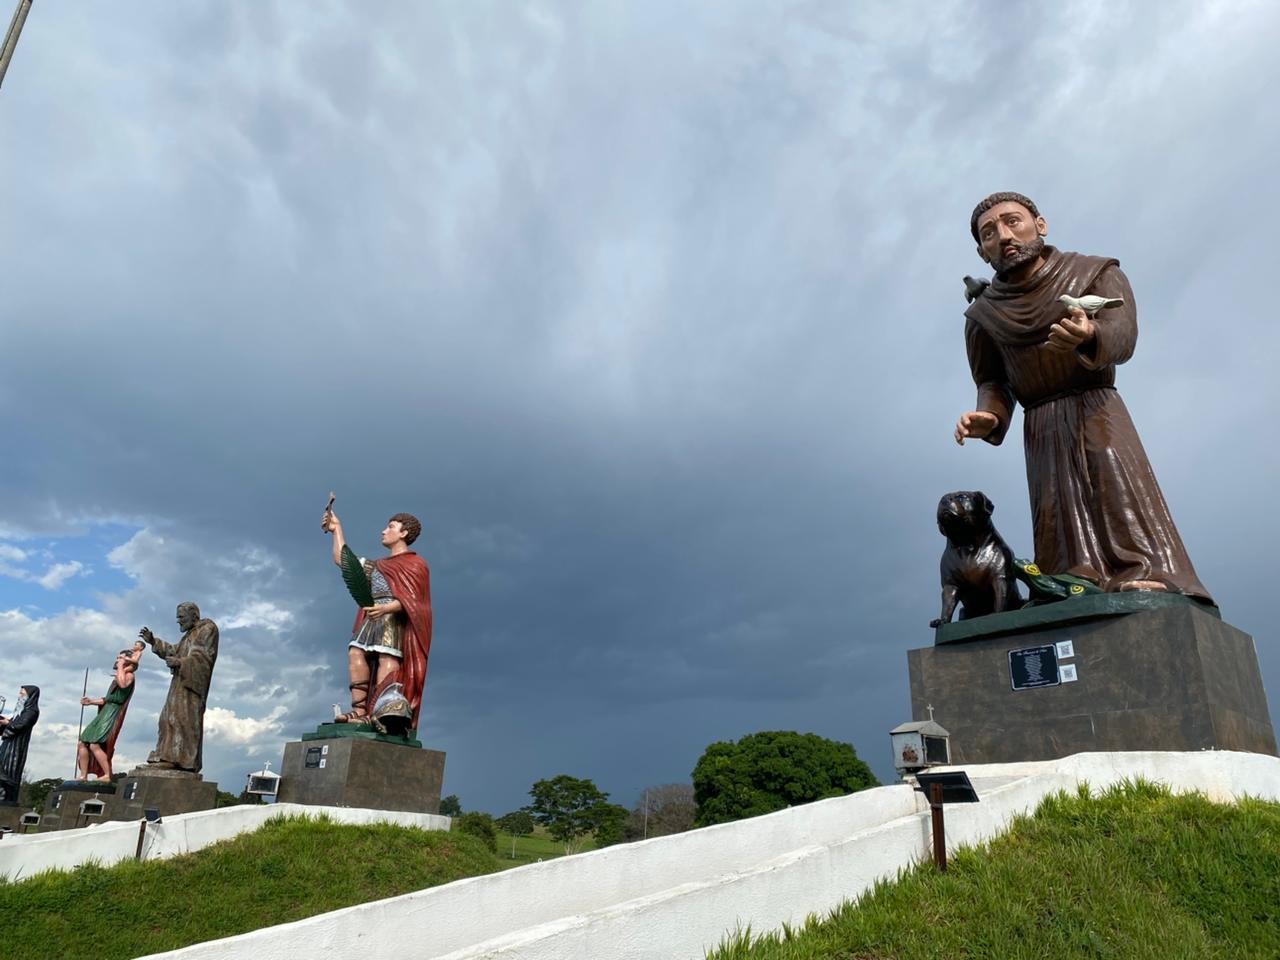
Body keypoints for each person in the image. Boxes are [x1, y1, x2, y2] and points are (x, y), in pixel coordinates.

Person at [953, 191, 1210, 599]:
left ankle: (1146, 570)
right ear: (982, 252)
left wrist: (1091, 333)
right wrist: (991, 416)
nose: (1004, 235)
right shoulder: (983, 315)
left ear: (1040, 224)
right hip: (1040, 422)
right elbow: (992, 382)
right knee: (1056, 509)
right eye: (989, 232)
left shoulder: (1093, 273)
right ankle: (1073, 579)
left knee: (1115, 484)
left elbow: (1123, 335)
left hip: (1096, 405)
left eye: (1012, 221)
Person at [322, 509, 432, 733]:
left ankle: (378, 711)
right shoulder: (378, 566)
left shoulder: (416, 564)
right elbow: (344, 561)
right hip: (371, 616)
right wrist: (337, 529)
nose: (384, 531)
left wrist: (387, 608)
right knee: (355, 652)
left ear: (404, 533)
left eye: (390, 527)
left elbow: (416, 602)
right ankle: (360, 711)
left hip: (392, 619)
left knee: (386, 656)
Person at [139, 602, 219, 772]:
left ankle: (181, 760)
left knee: (182, 719)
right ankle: (167, 755)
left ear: (193, 616)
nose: (178, 621)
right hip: (179, 683)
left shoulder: (207, 629)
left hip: (191, 686)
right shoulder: (189, 635)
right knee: (166, 718)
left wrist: (180, 663)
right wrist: (154, 641)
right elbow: (175, 650)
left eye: (181, 617)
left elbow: (203, 658)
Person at [76, 650, 138, 781]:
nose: (117, 660)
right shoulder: (118, 676)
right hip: (106, 711)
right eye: (117, 658)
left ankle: (106, 775)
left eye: (120, 658)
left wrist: (121, 666)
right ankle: (83, 775)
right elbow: (108, 699)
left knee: (94, 744)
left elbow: (122, 685)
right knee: (82, 742)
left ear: (127, 661)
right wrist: (91, 701)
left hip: (112, 713)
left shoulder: (128, 676)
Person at [0, 684, 40, 803]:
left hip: (16, 747)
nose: (19, 696)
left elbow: (21, 725)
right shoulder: (19, 712)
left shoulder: (32, 711)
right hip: (8, 744)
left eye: (22, 694)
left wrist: (7, 722)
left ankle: (7, 797)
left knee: (9, 770)